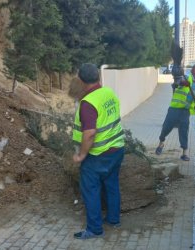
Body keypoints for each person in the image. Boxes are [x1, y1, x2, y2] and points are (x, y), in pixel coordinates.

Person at [72, 63, 125, 240]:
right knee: (111, 185)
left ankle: (95, 229)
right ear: (98, 77)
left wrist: (81, 155)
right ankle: (113, 220)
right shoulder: (109, 92)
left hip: (98, 155)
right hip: (117, 149)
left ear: (80, 80)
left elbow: (89, 134)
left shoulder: (88, 103)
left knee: (91, 190)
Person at [155, 64, 195, 161]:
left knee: (184, 130)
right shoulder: (186, 77)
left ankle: (184, 153)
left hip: (185, 112)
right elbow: (176, 83)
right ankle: (161, 143)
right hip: (174, 108)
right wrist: (182, 83)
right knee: (166, 127)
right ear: (192, 71)